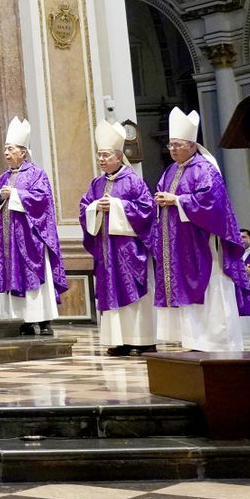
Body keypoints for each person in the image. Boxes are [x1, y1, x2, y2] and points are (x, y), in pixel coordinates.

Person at [150, 107, 250, 353]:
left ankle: (218, 340)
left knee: (211, 288)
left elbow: (212, 202)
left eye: (177, 144)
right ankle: (194, 340)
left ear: (192, 145)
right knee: (188, 290)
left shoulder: (205, 168)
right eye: (170, 145)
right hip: (181, 244)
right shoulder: (171, 171)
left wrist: (176, 201)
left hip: (204, 243)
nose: (173, 149)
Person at [79, 120, 156, 356]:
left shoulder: (133, 181)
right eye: (99, 155)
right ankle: (120, 341)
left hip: (128, 250)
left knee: (133, 292)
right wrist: (95, 208)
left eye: (105, 155)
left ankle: (143, 341)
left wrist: (114, 205)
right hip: (106, 249)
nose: (101, 160)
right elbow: (84, 208)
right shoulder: (97, 183)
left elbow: (146, 210)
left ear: (118, 156)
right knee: (110, 290)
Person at [0, 118, 66, 336]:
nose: (6, 153)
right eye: (5, 149)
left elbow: (43, 200)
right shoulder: (1, 179)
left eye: (10, 149)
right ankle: (21, 321)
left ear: (23, 152)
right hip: (7, 241)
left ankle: (44, 320)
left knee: (36, 277)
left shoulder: (36, 174)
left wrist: (15, 195)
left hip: (31, 239)